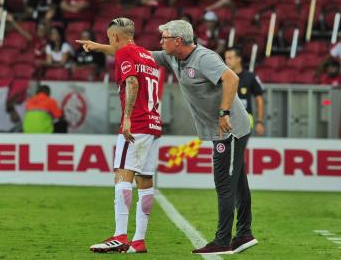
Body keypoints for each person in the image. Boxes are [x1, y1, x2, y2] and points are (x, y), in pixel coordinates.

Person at [76, 19, 257, 255]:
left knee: (225, 184)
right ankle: (244, 234)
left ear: (178, 41)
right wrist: (98, 46)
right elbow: (133, 53)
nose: (161, 42)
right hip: (214, 130)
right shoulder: (171, 57)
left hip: (230, 128)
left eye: (164, 38)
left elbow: (231, 78)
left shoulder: (204, 57)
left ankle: (223, 240)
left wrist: (224, 112)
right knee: (238, 182)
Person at [77, 17, 162, 254]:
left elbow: (132, 83)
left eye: (108, 38)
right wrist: (97, 46)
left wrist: (126, 118)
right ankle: (139, 240)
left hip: (136, 124)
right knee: (144, 181)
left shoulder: (125, 54)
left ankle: (119, 236)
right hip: (153, 124)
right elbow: (124, 55)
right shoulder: (146, 55)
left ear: (115, 36)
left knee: (122, 177)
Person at [225, 47, 264, 136]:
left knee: (236, 149)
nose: (227, 61)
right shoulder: (222, 77)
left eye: (230, 58)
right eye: (226, 58)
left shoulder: (250, 77)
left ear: (239, 59)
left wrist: (260, 122)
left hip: (244, 120)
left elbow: (259, 99)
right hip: (226, 120)